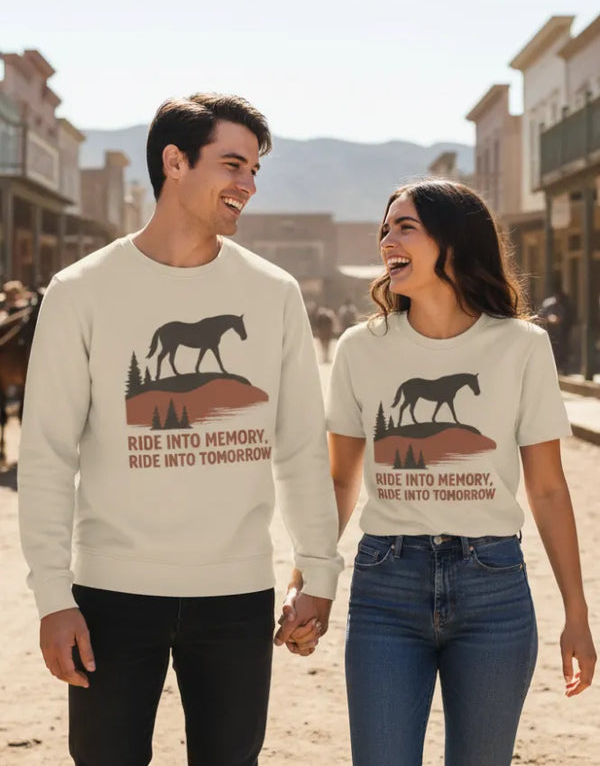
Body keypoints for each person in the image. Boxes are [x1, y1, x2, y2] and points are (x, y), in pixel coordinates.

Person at [18, 93, 342, 766]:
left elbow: (303, 446)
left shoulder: (274, 292)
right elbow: (47, 454)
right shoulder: (82, 290)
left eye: (255, 170)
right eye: (233, 165)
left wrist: (319, 571)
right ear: (174, 161)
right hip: (110, 596)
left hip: (236, 597)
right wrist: (53, 596)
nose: (248, 186)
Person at [289, 180, 596, 765]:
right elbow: (338, 481)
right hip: (387, 583)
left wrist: (577, 616)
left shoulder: (522, 345)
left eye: (405, 227)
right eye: (385, 229)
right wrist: (309, 582)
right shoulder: (360, 348)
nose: (388, 241)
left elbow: (549, 489)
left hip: (494, 588)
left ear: (453, 242)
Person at [538, 282, 573, 374]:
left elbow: (565, 317)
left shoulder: (563, 304)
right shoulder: (549, 304)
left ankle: (561, 367)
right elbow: (542, 316)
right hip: (549, 331)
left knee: (561, 350)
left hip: (560, 331)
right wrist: (550, 319)